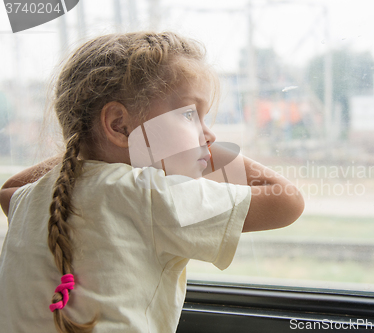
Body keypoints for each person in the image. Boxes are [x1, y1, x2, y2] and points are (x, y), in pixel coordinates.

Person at [0, 31, 304, 333]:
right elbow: (287, 200)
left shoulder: (36, 196)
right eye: (189, 114)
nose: (208, 134)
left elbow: (9, 190)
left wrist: (81, 148)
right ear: (119, 125)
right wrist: (205, 151)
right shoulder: (151, 195)